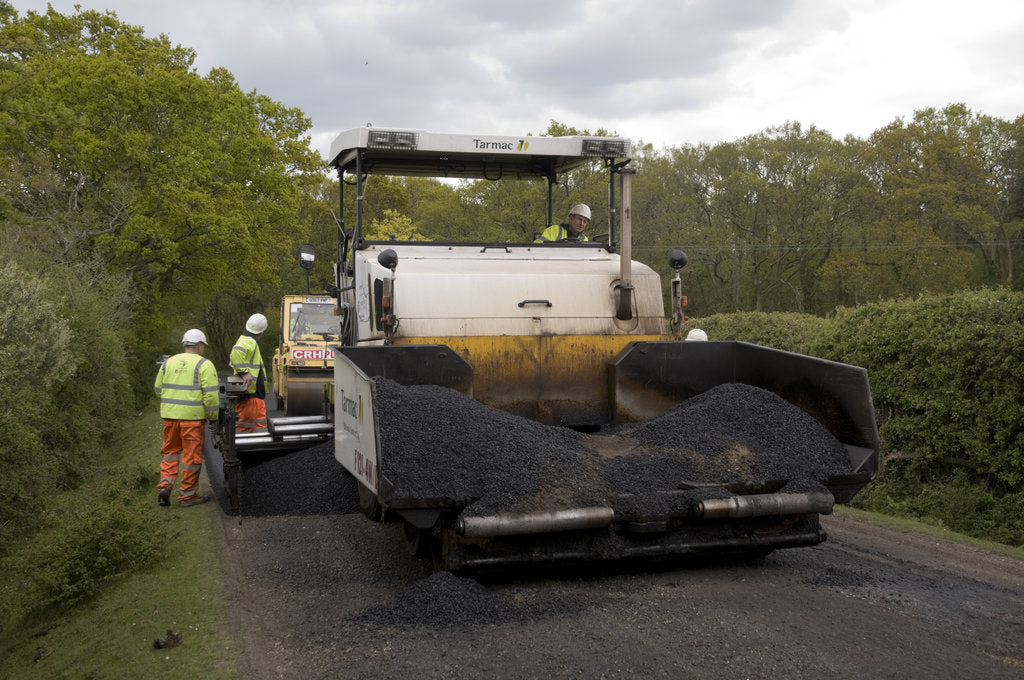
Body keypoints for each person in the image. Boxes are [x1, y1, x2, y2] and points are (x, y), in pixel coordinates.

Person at [154, 329, 220, 507]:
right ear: (199, 346)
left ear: (185, 344)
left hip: (169, 418)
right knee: (192, 457)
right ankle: (188, 496)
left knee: (170, 452)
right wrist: (213, 417)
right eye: (203, 346)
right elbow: (211, 397)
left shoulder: (169, 363)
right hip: (192, 420)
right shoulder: (204, 365)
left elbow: (158, 389)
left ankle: (166, 485)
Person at [231, 313, 269, 432]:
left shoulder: (247, 340)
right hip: (250, 395)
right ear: (262, 332)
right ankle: (241, 449)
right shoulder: (249, 341)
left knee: (259, 430)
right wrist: (244, 373)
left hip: (254, 395)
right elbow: (236, 352)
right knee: (244, 430)